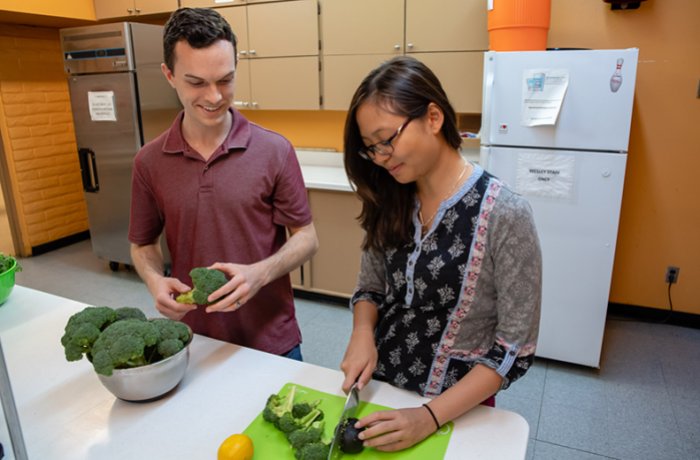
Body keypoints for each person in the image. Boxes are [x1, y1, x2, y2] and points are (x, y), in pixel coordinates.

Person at [339, 56, 542, 451]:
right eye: (370, 149)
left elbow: (513, 350)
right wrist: (362, 332)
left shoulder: (505, 213)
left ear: (433, 118)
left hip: (457, 405)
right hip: (383, 386)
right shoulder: (391, 196)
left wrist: (428, 417)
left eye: (387, 139)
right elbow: (370, 288)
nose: (380, 158)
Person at [128, 8, 318, 360]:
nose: (214, 96)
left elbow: (306, 238)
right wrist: (155, 280)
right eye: (196, 82)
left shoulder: (275, 150)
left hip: (273, 339)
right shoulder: (149, 162)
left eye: (225, 80)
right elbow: (142, 246)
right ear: (169, 75)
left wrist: (260, 274)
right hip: (195, 339)